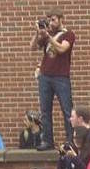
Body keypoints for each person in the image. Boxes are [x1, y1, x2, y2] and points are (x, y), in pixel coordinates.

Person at [31, 10, 76, 150]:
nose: (51, 22)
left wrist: (49, 37)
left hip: (61, 76)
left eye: (54, 19)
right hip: (45, 76)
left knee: (67, 110)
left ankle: (70, 140)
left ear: (62, 19)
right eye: (49, 20)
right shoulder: (46, 34)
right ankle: (48, 141)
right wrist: (37, 33)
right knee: (45, 110)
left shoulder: (68, 34)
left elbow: (62, 49)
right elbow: (32, 48)